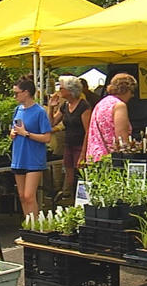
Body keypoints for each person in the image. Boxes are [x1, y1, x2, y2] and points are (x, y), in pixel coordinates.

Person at [10, 77, 52, 216]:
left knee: (29, 195)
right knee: (22, 196)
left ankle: (35, 227)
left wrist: (26, 134)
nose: (15, 96)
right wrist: (13, 133)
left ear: (26, 92)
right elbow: (15, 128)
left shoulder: (39, 111)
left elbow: (47, 137)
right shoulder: (17, 110)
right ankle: (28, 224)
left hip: (33, 158)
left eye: (17, 93)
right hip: (19, 157)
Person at [47, 75, 91, 195]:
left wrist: (83, 153)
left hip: (80, 145)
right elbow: (51, 123)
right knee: (69, 175)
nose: (59, 91)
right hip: (69, 144)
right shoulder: (65, 106)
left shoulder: (84, 106)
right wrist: (51, 107)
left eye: (61, 88)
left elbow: (88, 130)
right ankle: (70, 197)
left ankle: (83, 199)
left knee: (82, 175)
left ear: (70, 90)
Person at [85, 73, 136, 162]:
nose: (132, 95)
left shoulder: (101, 103)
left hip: (94, 156)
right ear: (126, 90)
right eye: (132, 91)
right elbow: (121, 139)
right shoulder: (119, 105)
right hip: (111, 159)